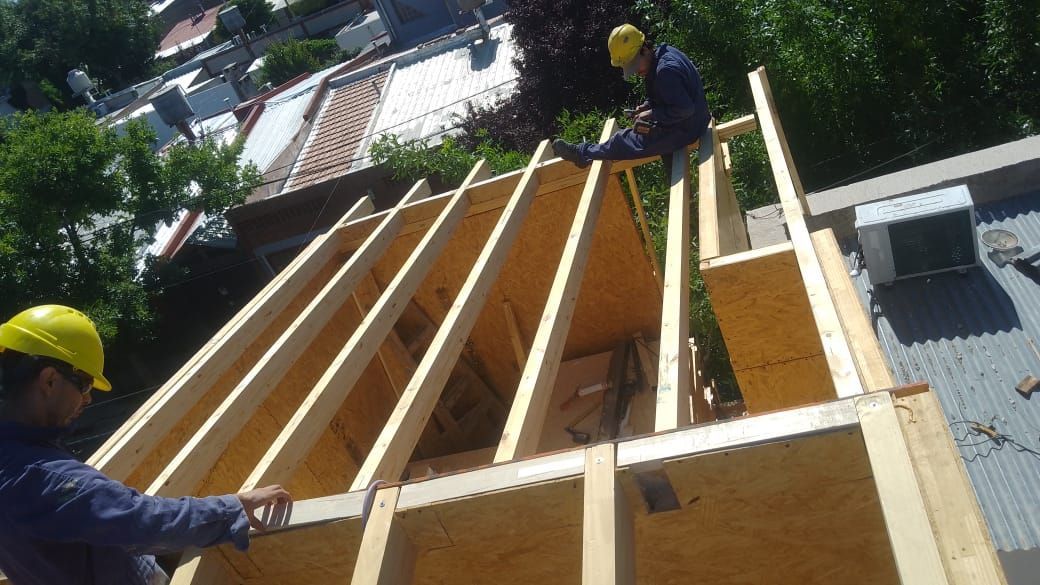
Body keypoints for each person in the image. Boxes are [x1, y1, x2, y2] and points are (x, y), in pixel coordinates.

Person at [0, 305, 292, 585]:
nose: (88, 399)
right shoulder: (48, 478)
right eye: (85, 384)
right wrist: (234, 506)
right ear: (50, 380)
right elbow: (142, 519)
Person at [553, 23, 710, 168]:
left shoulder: (665, 72)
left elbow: (685, 109)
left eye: (634, 64)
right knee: (651, 136)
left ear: (644, 49)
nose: (634, 71)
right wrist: (647, 106)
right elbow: (669, 93)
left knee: (623, 141)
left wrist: (652, 113)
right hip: (694, 119)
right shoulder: (662, 55)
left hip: (689, 128)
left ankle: (582, 153)